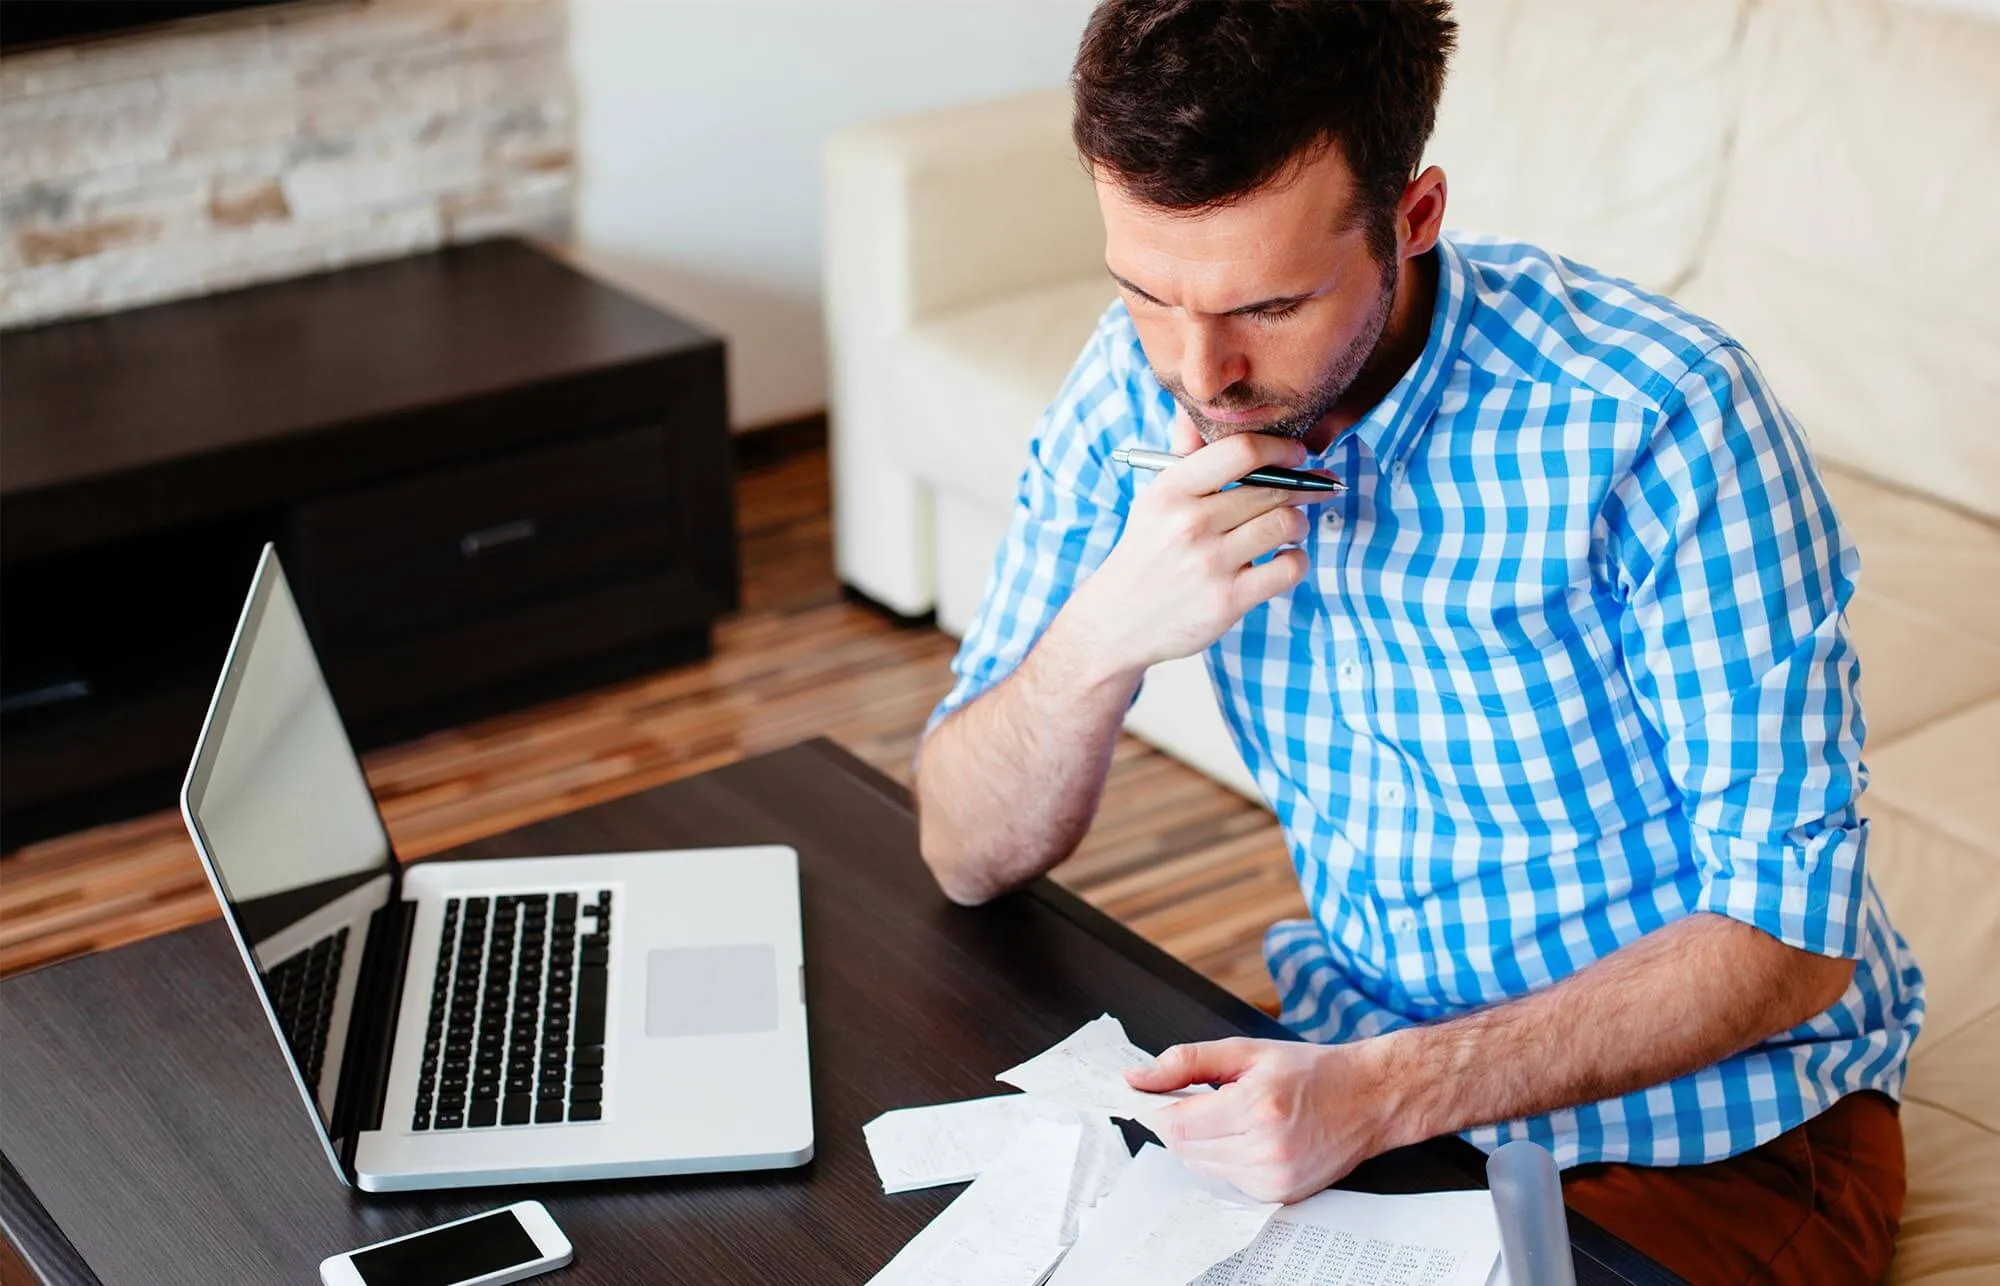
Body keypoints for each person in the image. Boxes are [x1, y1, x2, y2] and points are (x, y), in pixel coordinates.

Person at [910, 2, 1926, 1280]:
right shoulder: (1136, 379)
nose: (1198, 372)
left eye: (1265, 305)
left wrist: (1380, 1093)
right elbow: (959, 849)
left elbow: (1789, 933)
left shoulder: (1658, 418)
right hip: (1352, 1057)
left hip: (1719, 1125)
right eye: (1144, 293)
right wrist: (1102, 634)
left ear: (1413, 216)